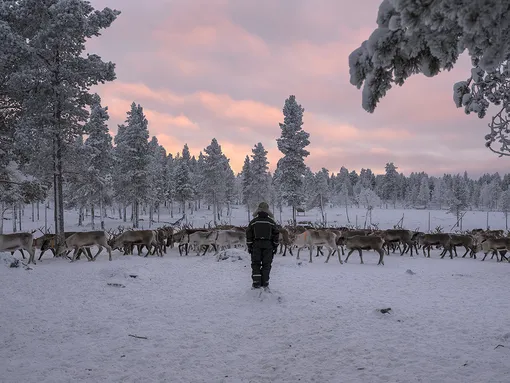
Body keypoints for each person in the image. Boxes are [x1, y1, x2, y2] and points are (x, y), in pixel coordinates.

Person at [246, 202, 280, 289]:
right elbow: (276, 234)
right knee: (266, 264)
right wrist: (275, 246)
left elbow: (249, 234)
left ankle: (256, 282)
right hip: (268, 246)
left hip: (256, 245)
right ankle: (265, 283)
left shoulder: (253, 222)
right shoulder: (271, 222)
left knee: (256, 264)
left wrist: (250, 246)